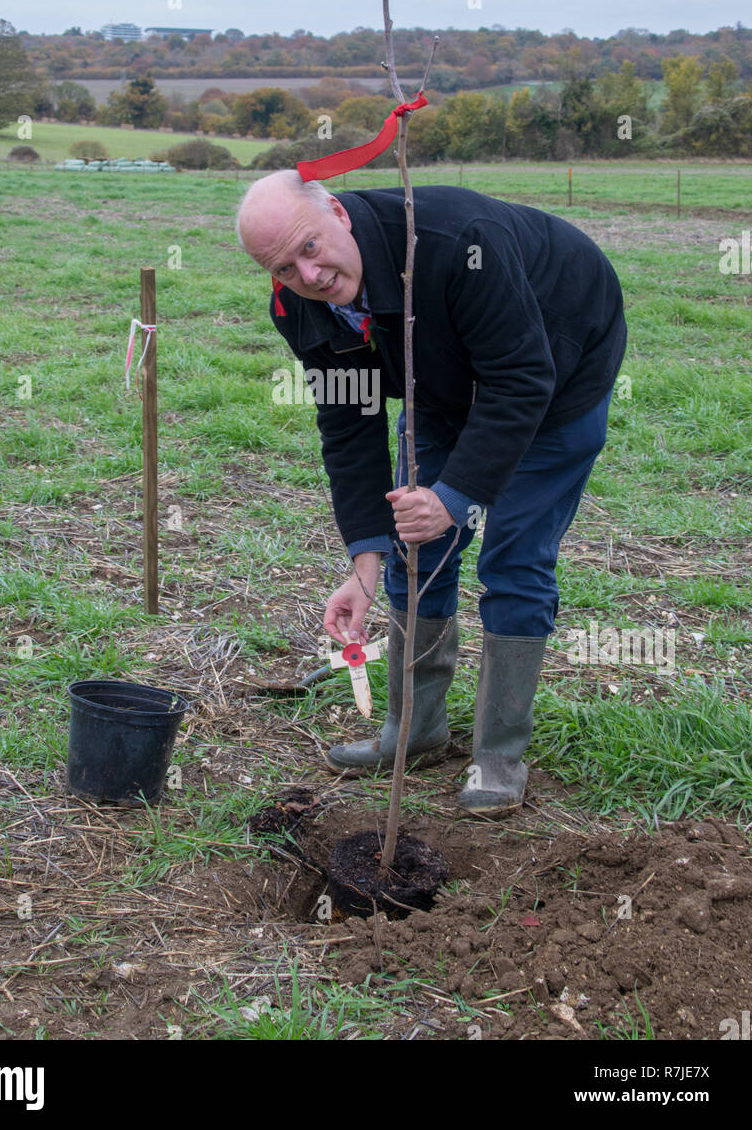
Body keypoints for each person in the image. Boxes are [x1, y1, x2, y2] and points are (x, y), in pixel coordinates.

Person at [235, 169, 627, 816]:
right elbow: (348, 420)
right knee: (413, 549)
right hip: (443, 383)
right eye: (282, 268)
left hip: (556, 372)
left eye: (310, 248)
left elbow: (522, 380)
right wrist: (365, 557)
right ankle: (414, 734)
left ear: (337, 212)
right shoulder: (299, 304)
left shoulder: (456, 244)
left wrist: (455, 496)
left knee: (513, 556)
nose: (307, 275)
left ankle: (498, 758)